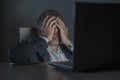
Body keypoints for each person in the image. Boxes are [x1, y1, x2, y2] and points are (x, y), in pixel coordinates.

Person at [8, 9, 73, 65]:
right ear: (39, 32)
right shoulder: (35, 51)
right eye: (51, 26)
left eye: (58, 26)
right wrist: (45, 38)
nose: (55, 30)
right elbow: (13, 56)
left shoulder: (69, 48)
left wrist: (68, 42)